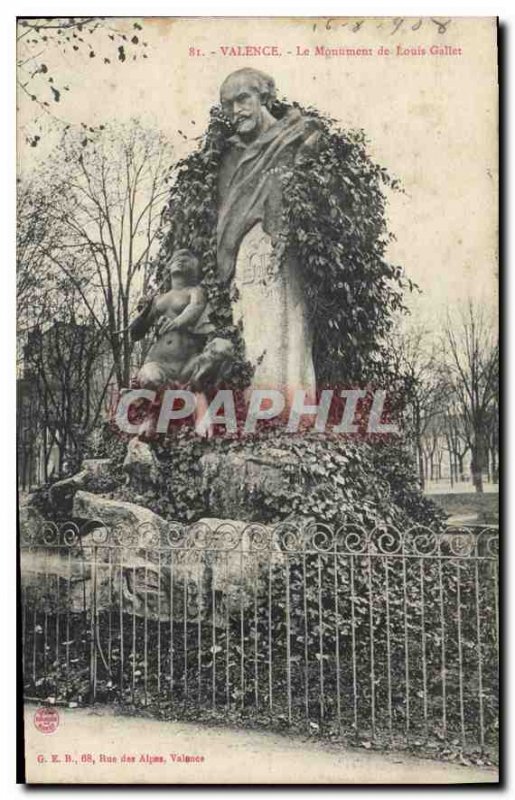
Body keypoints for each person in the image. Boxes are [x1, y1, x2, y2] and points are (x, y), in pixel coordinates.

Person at [217, 68, 320, 402]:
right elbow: (227, 211)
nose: (236, 111)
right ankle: (261, 410)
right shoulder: (231, 155)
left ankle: (294, 409)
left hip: (283, 249)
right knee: (254, 333)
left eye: (242, 99)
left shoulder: (296, 135)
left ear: (264, 96)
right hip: (245, 251)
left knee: (289, 329)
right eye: (229, 105)